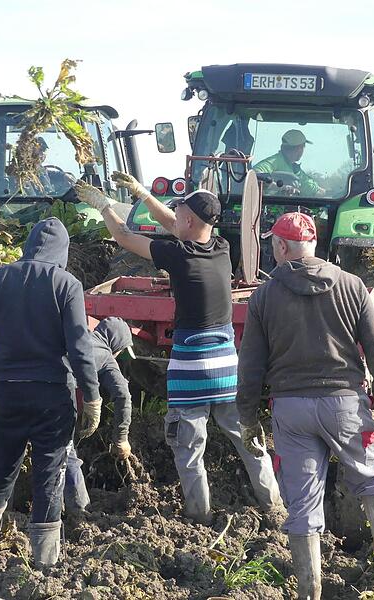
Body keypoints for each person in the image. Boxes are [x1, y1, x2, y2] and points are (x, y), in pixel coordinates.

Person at [235, 212, 374, 599]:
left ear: (281, 246)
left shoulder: (264, 296)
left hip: (291, 411)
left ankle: (309, 588)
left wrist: (248, 418)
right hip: (345, 406)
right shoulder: (352, 286)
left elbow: (250, 365)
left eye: (274, 244)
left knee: (303, 499)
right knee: (371, 478)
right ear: (313, 243)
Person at [75, 173, 283, 524]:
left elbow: (124, 237)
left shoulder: (177, 255)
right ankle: (273, 507)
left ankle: (200, 518)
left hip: (190, 373)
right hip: (227, 371)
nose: (175, 218)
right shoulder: (221, 248)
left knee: (189, 450)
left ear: (188, 220)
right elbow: (176, 224)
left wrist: (105, 206)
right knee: (249, 442)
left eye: (181, 211)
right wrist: (142, 194)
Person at [0, 218, 102, 568]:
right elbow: (80, 347)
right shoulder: (66, 284)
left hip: (8, 392)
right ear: (63, 252)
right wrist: (92, 396)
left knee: (1, 465)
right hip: (52, 397)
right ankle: (44, 560)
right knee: (49, 474)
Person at [63, 316, 135, 515]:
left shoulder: (80, 337)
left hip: (26, 383)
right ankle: (80, 512)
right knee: (66, 452)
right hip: (57, 393)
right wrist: (121, 439)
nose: (118, 355)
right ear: (116, 343)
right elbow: (123, 395)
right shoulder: (106, 355)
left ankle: (2, 510)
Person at [253, 129, 323, 196]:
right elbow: (255, 174)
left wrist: (326, 193)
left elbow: (313, 190)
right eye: (303, 146)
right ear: (299, 148)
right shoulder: (276, 161)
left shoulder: (296, 170)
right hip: (270, 203)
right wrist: (282, 187)